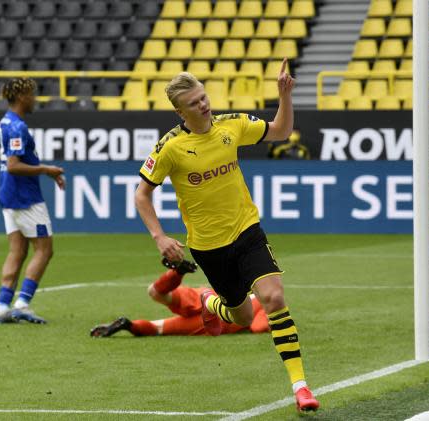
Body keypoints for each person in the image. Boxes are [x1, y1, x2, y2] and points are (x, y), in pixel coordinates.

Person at [134, 59, 320, 412]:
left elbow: (280, 132)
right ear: (180, 110)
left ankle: (301, 387)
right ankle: (209, 303)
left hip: (247, 231)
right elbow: (141, 194)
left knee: (274, 298)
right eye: (194, 102)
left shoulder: (232, 125)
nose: (203, 105)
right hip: (208, 247)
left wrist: (284, 96)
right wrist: (160, 237)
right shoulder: (170, 147)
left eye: (203, 97)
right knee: (243, 318)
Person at [0, 78, 65, 324]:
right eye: (33, 94)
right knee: (44, 250)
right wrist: (46, 169)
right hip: (24, 197)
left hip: (8, 194)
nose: (35, 99)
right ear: (23, 95)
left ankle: (2, 306)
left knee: (18, 250)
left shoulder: (5, 122)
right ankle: (22, 303)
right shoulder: (17, 127)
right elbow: (14, 166)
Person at [90, 259, 269, 338]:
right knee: (158, 328)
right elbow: (257, 327)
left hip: (205, 297)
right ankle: (129, 325)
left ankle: (177, 272)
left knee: (155, 292)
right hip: (214, 321)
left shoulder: (246, 291)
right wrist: (273, 322)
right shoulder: (263, 304)